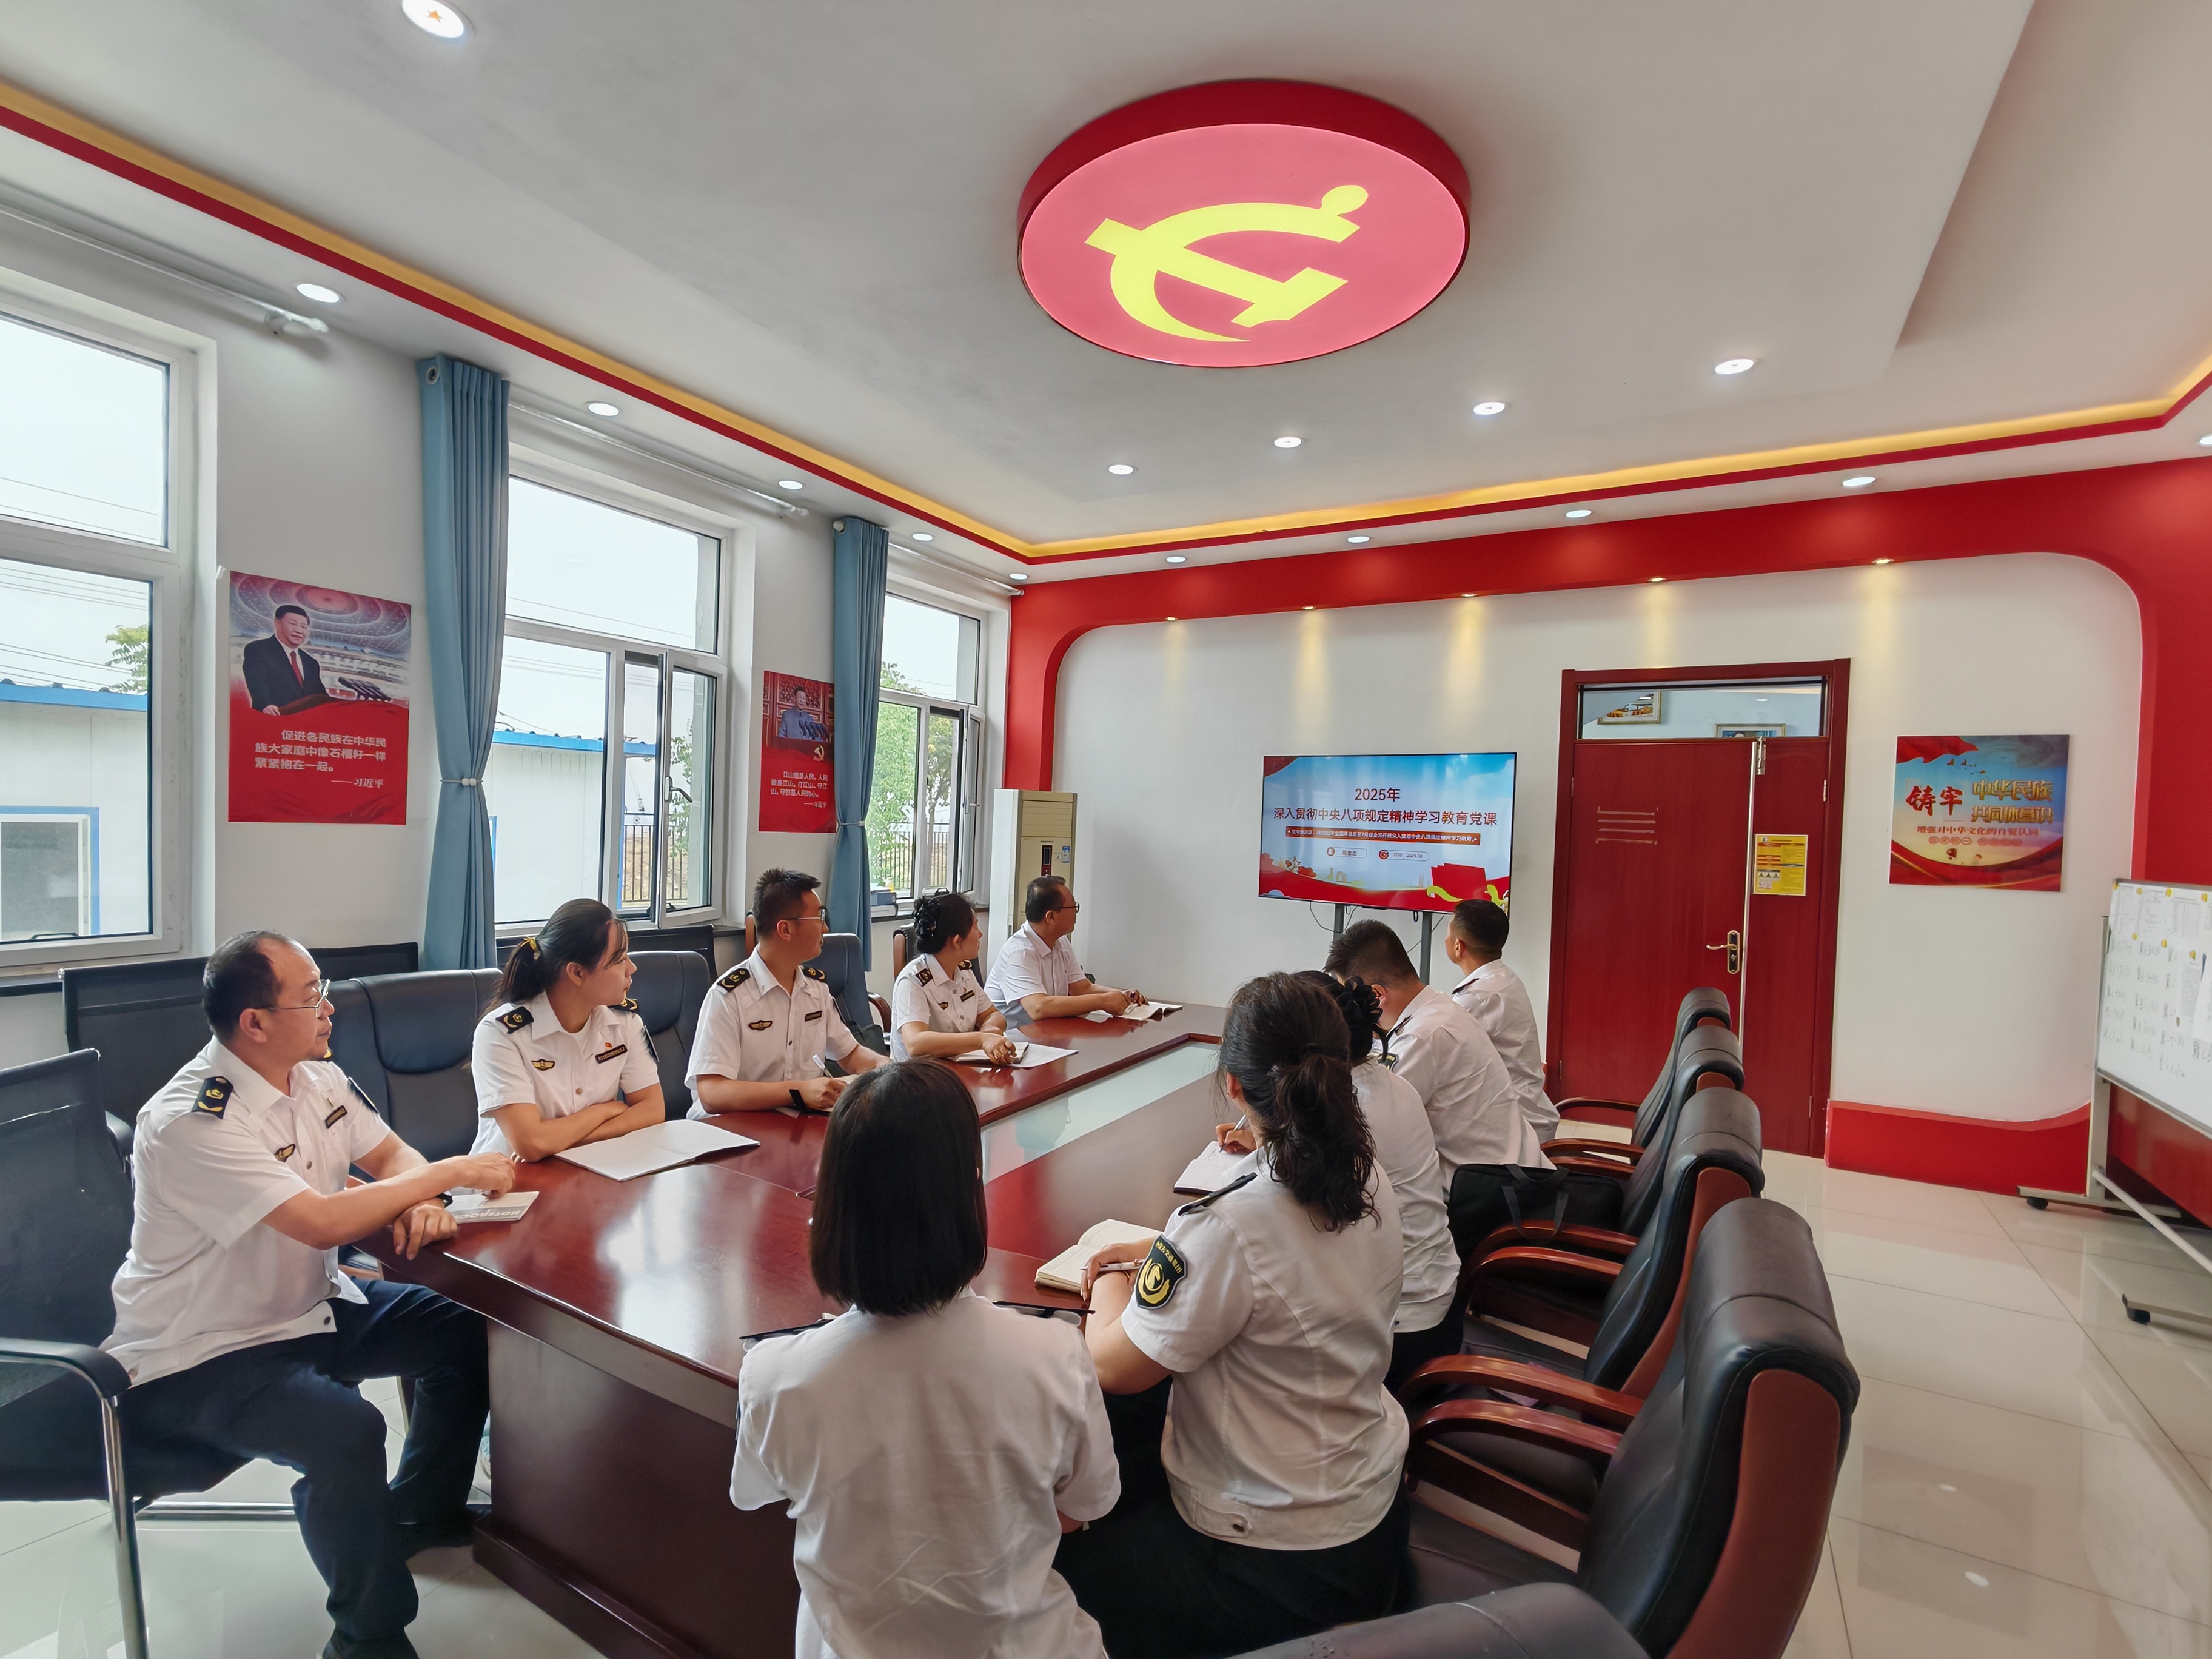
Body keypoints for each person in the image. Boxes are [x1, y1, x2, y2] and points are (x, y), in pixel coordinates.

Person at [107, 931, 520, 1659]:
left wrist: (419, 1197)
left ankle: (419, 1511)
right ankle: (368, 1638)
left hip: (310, 1307)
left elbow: (389, 1154)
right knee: (346, 1431)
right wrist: (449, 1174)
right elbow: (320, 1221)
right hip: (203, 1350)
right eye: (311, 997)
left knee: (469, 1330)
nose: (330, 1008)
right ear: (255, 1023)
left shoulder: (317, 1078)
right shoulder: (191, 1120)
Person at [1055, 974, 1409, 1659]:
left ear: (1235, 1087)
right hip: (1368, 1511)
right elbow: (1274, 1263)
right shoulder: (1365, 1177)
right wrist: (1165, 1247)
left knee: (1055, 1572)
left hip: (1274, 1562)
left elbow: (1111, 1365)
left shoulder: (1230, 1225)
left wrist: (1110, 1274)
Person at [731, 1060, 1119, 1658]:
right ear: (969, 1191)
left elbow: (762, 1494)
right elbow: (1082, 1508)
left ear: (831, 1205)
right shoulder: (1055, 1355)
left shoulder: (774, 1374)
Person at [1324, 920, 1561, 1257]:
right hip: (1512, 1180)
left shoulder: (1422, 1038)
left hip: (1490, 1206)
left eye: (1350, 998)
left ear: (1375, 995)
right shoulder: (1438, 1010)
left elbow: (1369, 1130)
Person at [469, 897, 665, 1159]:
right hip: (508, 1179)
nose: (632, 968)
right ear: (577, 973)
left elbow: (652, 1109)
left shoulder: (626, 1022)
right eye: (618, 959)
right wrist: (605, 1110)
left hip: (590, 1167)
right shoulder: (501, 1033)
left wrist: (566, 1142)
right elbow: (532, 1143)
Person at [688, 868, 886, 1115]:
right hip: (732, 1126)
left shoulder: (816, 989)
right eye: (819, 918)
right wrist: (797, 1091)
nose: (825, 929)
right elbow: (712, 1093)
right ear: (785, 930)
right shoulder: (728, 996)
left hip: (796, 1120)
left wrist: (887, 1069)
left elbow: (850, 1054)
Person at [1445, 899, 1558, 1141]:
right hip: (1528, 1109)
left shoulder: (1478, 996)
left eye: (1448, 933)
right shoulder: (1503, 977)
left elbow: (1439, 1051)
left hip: (1516, 1126)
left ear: (1458, 946)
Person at [984, 876, 1140, 1025]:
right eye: (1073, 906)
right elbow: (1038, 1007)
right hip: (1014, 1037)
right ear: (1051, 917)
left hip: (1049, 1032)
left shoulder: (1061, 942)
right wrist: (1103, 1001)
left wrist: (1122, 995)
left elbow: (1082, 988)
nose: (1076, 912)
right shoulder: (1019, 953)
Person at [888, 890, 1017, 1063]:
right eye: (976, 927)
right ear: (957, 941)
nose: (980, 934)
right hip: (917, 1075)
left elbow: (992, 1014)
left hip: (958, 1068)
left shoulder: (963, 972)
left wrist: (990, 1031)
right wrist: (980, 1040)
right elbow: (915, 1043)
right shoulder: (913, 981)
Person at [243, 603, 356, 716]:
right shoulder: (259, 649)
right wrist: (265, 704)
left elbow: (319, 695)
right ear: (277, 623)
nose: (299, 630)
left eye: (304, 627)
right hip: (272, 717)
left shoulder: (311, 662)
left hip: (303, 721)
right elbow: (256, 682)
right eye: (293, 624)